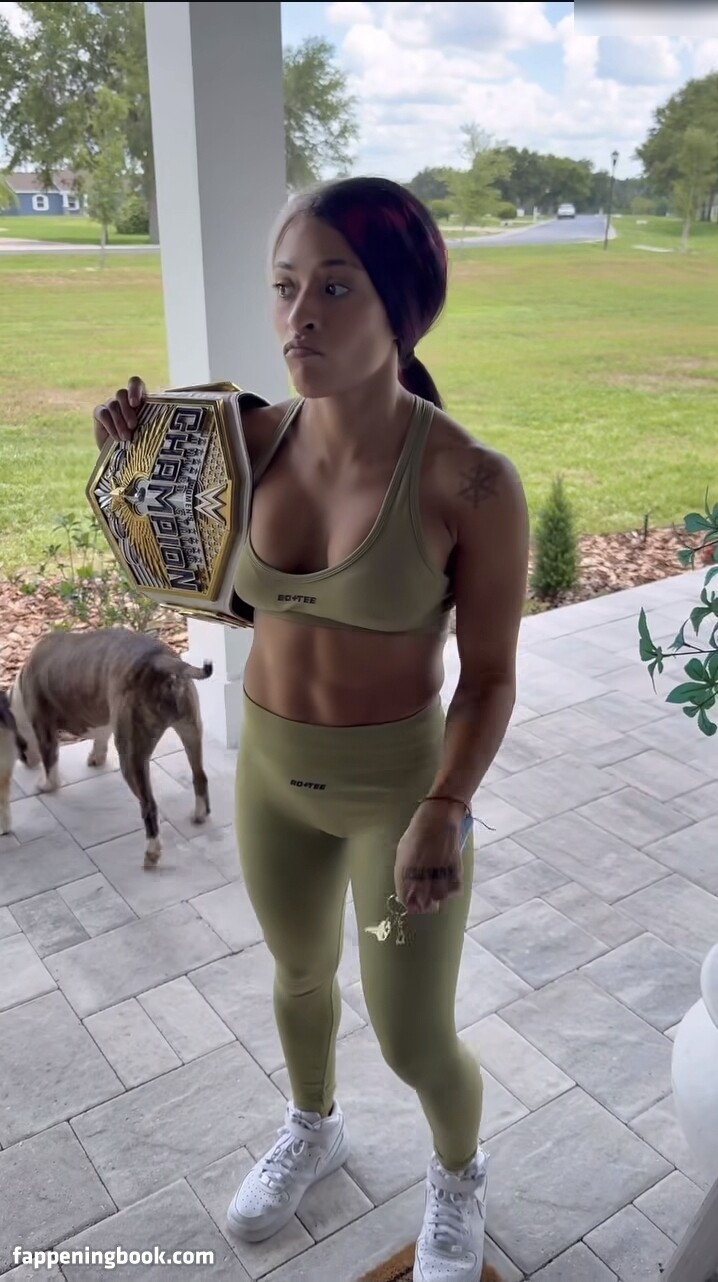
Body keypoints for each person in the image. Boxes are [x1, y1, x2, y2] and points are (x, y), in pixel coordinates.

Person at [93, 176, 529, 1282]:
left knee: (411, 1031)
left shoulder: (471, 483)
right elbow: (186, 568)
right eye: (286, 287)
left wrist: (447, 807)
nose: (299, 317)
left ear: (402, 309)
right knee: (296, 976)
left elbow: (488, 679)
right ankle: (314, 1124)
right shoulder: (241, 437)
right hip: (274, 774)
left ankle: (458, 1176)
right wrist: (133, 461)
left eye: (335, 288)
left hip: (401, 800)